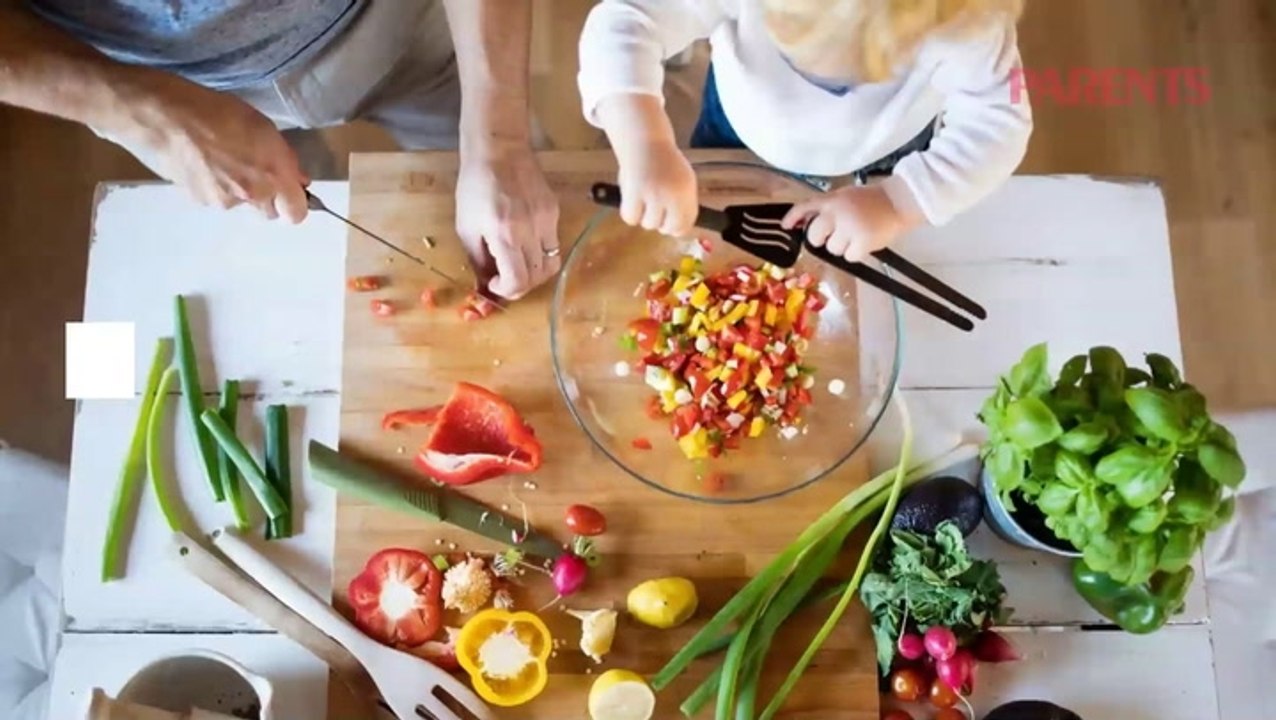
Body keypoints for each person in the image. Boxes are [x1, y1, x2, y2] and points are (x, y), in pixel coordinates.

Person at [0, 0, 560, 300]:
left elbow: (501, 147)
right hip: (152, 82)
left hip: (392, 22)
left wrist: (500, 142)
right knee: (288, 270)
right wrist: (149, 113)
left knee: (523, 220)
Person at [577, 0, 1032, 262]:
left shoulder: (966, 19)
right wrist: (646, 145)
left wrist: (899, 203)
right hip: (740, 131)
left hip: (888, 152)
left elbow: (1000, 119)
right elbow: (625, 20)